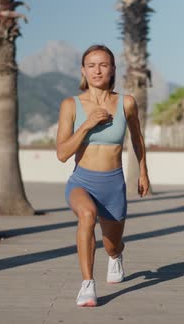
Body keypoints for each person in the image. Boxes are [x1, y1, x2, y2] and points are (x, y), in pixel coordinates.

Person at [56, 44, 150, 307]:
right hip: (82, 181)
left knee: (111, 244)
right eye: (91, 65)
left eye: (103, 65)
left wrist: (143, 172)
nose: (97, 70)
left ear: (112, 70)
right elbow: (62, 153)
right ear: (83, 71)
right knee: (86, 215)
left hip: (113, 184)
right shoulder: (71, 105)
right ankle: (87, 285)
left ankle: (116, 255)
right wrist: (87, 124)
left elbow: (137, 139)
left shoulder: (126, 103)